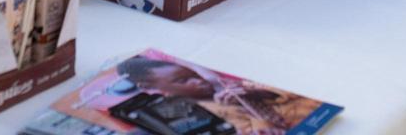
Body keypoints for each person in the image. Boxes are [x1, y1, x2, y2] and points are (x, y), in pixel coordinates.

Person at [117, 56, 320, 135]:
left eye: (194, 75)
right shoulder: (189, 118)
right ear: (153, 89)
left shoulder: (231, 88)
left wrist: (260, 92)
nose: (198, 81)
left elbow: (298, 100)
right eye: (184, 81)